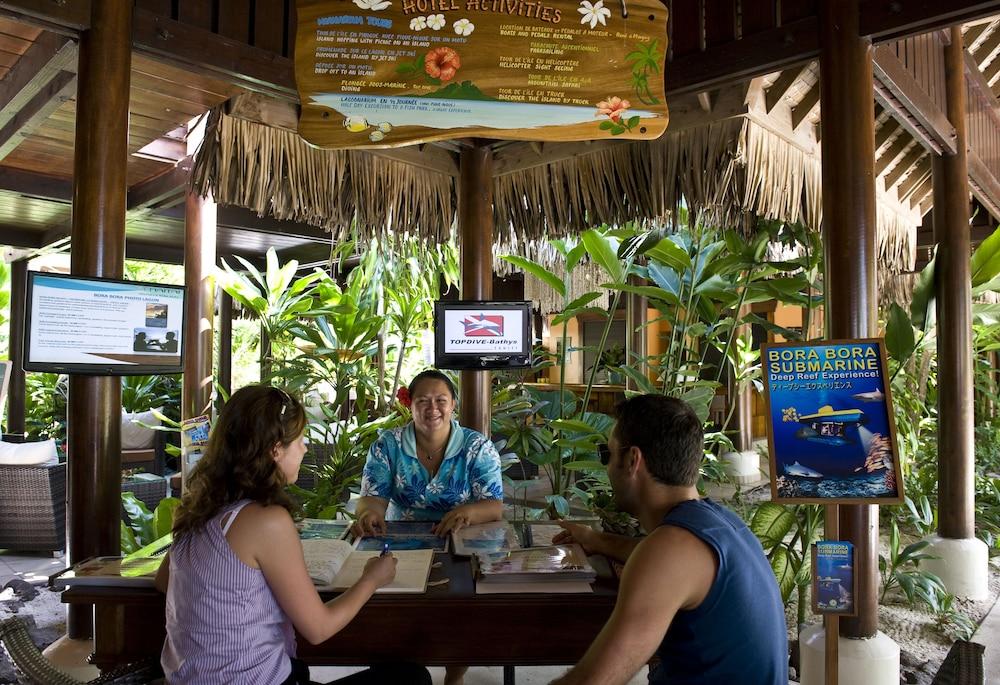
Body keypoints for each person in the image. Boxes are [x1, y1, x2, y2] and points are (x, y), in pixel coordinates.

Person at [156, 384, 431, 685]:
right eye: (300, 440)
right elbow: (318, 628)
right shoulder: (266, 520)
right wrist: (372, 578)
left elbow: (164, 580)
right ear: (275, 449)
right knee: (411, 677)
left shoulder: (200, 508)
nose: (304, 448)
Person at [550, 394, 787, 685]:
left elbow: (595, 681)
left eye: (607, 454)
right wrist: (595, 540)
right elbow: (657, 559)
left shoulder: (670, 551)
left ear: (633, 460)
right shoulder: (716, 522)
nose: (607, 466)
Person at [352, 369, 504, 685]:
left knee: (463, 609)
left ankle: (454, 673)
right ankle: (404, 672)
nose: (432, 408)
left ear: (453, 405)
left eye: (440, 400)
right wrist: (369, 515)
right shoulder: (388, 445)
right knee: (398, 614)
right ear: (410, 405)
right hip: (402, 541)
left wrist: (467, 511)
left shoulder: (477, 447)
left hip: (460, 543)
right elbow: (372, 498)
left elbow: (493, 506)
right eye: (423, 400)